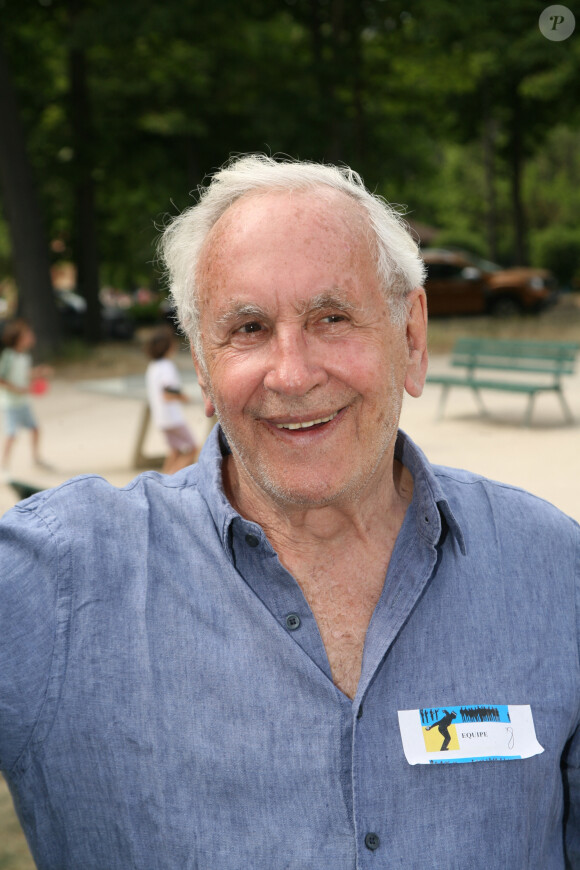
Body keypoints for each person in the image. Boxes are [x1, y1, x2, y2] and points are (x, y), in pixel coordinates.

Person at [0, 155, 578, 869]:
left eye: (332, 318)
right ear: (202, 366)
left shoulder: (554, 572)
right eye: (247, 328)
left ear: (411, 336)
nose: (294, 373)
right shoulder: (56, 585)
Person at [145, 325, 200, 473]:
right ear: (168, 347)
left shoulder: (152, 367)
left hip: (161, 418)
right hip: (173, 418)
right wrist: (184, 397)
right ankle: (170, 481)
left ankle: (161, 481)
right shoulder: (167, 366)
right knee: (193, 448)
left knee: (175, 451)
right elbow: (168, 392)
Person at [0, 318, 52, 474]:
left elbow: (23, 375)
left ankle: (36, 459)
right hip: (11, 403)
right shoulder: (8, 356)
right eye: (27, 334)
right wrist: (16, 389)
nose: (31, 337)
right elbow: (2, 378)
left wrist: (38, 373)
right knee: (11, 435)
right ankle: (4, 466)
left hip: (23, 402)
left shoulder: (25, 357)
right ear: (18, 338)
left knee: (35, 429)